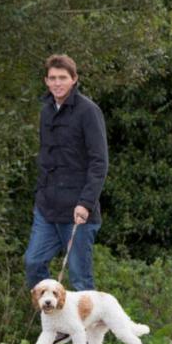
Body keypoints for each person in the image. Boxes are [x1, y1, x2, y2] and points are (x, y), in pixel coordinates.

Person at [23, 54, 108, 292]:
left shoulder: (89, 111)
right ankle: (55, 323)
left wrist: (86, 202)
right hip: (47, 208)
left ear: (74, 79)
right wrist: (40, 195)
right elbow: (44, 158)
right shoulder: (46, 112)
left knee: (80, 278)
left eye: (63, 78)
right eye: (53, 78)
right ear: (46, 82)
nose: (57, 83)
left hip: (78, 210)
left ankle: (87, 330)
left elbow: (99, 162)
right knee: (33, 262)